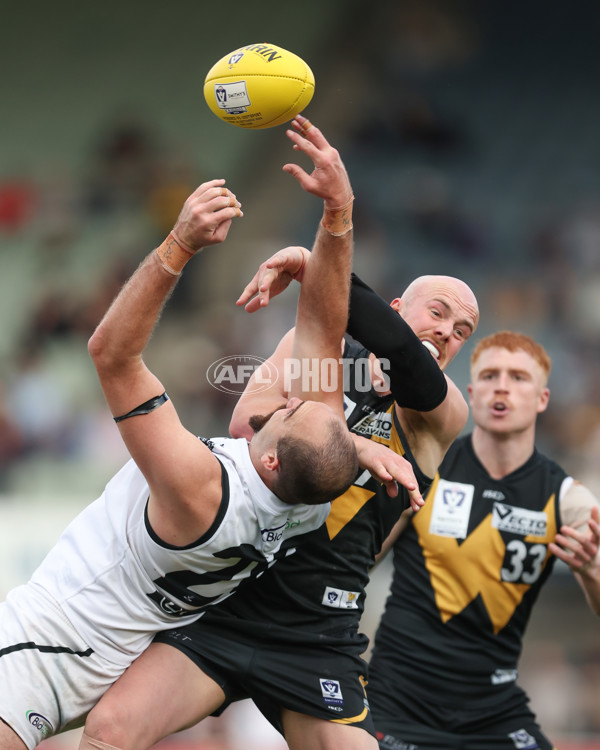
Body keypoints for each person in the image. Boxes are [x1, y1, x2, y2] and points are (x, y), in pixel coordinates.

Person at [0, 115, 361, 750]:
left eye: (290, 410)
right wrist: (337, 215)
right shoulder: (308, 501)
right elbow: (323, 339)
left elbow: (111, 353)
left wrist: (179, 246)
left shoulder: (201, 485)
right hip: (116, 667)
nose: (291, 396)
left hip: (43, 647)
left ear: (273, 458)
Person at [81, 231, 480, 746]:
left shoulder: (443, 412)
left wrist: (320, 268)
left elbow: (404, 355)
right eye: (439, 312)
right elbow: (248, 426)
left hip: (317, 632)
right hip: (233, 597)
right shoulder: (318, 351)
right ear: (397, 308)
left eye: (462, 329)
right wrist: (357, 448)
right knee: (110, 729)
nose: (447, 331)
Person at [368, 330, 600, 750]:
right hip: (398, 700)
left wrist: (589, 571)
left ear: (542, 398)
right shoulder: (425, 466)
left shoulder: (567, 498)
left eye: (518, 377)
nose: (502, 386)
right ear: (472, 394)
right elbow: (359, 561)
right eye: (491, 375)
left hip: (492, 707)